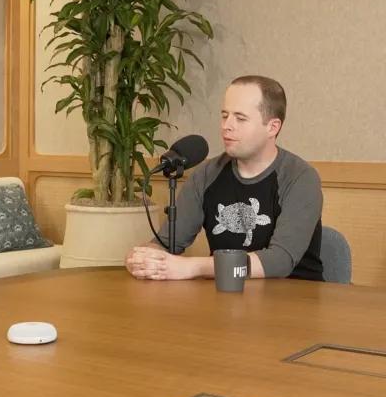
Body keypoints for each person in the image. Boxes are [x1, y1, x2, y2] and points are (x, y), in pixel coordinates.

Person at [125, 75, 324, 281]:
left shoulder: (300, 178)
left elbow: (279, 261)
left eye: (240, 118)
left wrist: (193, 267)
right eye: (224, 115)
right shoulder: (206, 174)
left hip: (294, 294)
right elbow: (166, 244)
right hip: (226, 294)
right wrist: (143, 258)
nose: (227, 126)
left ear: (272, 127)